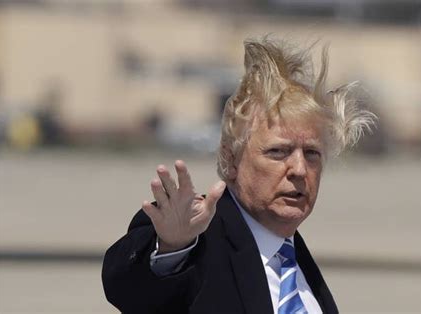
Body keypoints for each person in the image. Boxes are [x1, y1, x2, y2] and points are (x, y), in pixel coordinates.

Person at [102, 38, 376, 314]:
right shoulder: (198, 236)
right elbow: (127, 289)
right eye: (278, 152)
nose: (300, 169)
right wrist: (171, 247)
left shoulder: (297, 266)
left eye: (312, 153)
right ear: (231, 159)